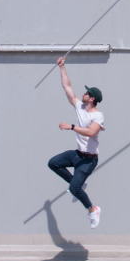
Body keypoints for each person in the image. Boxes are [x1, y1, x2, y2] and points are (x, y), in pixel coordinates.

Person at [48, 56, 105, 229]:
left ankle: (92, 209)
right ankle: (77, 184)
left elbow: (90, 132)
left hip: (89, 159)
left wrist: (71, 127)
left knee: (74, 190)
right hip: (78, 154)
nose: (83, 94)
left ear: (92, 99)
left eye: (86, 93)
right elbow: (67, 87)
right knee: (53, 163)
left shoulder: (97, 116)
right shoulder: (80, 106)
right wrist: (62, 67)